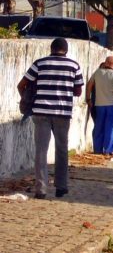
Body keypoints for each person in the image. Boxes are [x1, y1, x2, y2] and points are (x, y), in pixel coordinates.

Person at [17, 38, 85, 199]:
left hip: (40, 112)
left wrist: (27, 98)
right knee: (62, 149)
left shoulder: (39, 63)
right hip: (63, 113)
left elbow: (21, 85)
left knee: (41, 150)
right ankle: (61, 187)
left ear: (52, 48)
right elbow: (78, 91)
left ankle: (41, 189)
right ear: (66, 50)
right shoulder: (74, 65)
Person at [87, 54, 113, 155]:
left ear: (106, 62)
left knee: (99, 127)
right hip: (112, 105)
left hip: (99, 105)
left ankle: (97, 150)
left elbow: (89, 84)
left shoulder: (97, 73)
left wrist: (88, 98)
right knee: (111, 128)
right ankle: (108, 150)